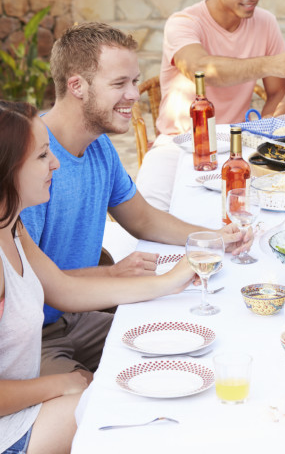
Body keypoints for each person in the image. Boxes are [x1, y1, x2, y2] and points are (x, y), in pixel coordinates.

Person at [0, 100, 196, 453]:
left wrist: (171, 280)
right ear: (2, 169)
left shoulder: (6, 224)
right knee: (118, 417)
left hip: (3, 414)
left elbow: (63, 289)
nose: (56, 164)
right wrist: (63, 384)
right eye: (42, 156)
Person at [20, 22, 244, 380]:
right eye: (119, 83)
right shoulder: (31, 163)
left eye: (135, 81)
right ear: (77, 85)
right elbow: (29, 285)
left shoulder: (99, 146)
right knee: (97, 398)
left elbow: (143, 219)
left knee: (194, 341)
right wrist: (110, 274)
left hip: (79, 318)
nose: (134, 94)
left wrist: (215, 237)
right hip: (33, 337)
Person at [136, 0, 285, 209]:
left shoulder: (266, 22)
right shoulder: (183, 23)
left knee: (268, 209)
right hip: (178, 143)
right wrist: (269, 63)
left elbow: (277, 92)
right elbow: (200, 69)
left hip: (238, 144)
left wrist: (260, 135)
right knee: (145, 216)